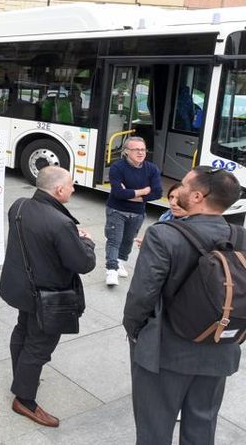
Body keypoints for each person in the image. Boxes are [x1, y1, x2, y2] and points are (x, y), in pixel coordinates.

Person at [124, 166, 242, 445]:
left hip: (166, 351)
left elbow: (142, 295)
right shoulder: (240, 236)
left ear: (199, 196)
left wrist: (135, 331)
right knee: (202, 426)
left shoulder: (163, 235)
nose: (180, 189)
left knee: (154, 429)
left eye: (185, 186)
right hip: (219, 349)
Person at [0, 166, 96, 428]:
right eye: (72, 185)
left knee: (22, 330)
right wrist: (86, 241)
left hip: (21, 287)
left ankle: (22, 377)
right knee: (39, 346)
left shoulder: (19, 205)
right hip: (47, 295)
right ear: (59, 189)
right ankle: (25, 399)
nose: (74, 189)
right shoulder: (61, 223)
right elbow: (83, 264)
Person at [104, 136, 162, 286]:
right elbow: (118, 193)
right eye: (136, 149)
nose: (141, 152)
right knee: (114, 240)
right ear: (126, 151)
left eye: (143, 149)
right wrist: (143, 191)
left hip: (138, 212)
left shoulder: (152, 169)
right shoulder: (117, 167)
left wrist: (133, 195)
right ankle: (111, 270)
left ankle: (120, 262)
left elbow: (157, 193)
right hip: (117, 210)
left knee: (128, 241)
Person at [134, 183, 190, 249]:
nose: (173, 202)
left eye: (179, 199)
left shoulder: (193, 226)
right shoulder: (167, 215)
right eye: (171, 197)